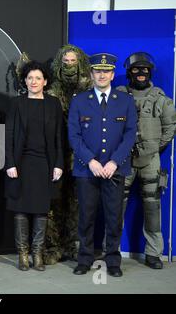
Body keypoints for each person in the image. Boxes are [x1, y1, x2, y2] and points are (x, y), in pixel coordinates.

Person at [68, 53, 137, 277]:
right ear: (91, 74)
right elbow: (74, 135)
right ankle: (85, 259)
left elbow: (129, 135)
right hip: (87, 170)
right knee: (86, 217)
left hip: (114, 170)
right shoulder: (79, 100)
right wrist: (90, 160)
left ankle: (113, 261)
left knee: (114, 218)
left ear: (113, 74)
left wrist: (115, 162)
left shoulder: (125, 101)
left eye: (106, 71)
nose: (102, 75)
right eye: (98, 71)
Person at [116, 52, 176, 269]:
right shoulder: (119, 97)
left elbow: (170, 128)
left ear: (150, 71)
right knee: (116, 205)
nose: (140, 74)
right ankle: (111, 250)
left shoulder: (161, 99)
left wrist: (154, 148)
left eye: (144, 70)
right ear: (129, 72)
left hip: (151, 159)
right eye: (135, 70)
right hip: (122, 158)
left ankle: (153, 253)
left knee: (152, 206)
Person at [5, 61, 63, 271]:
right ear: (25, 81)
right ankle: (23, 254)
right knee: (20, 209)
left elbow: (59, 137)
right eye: (30, 78)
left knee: (41, 210)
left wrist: (58, 164)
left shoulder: (53, 104)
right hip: (21, 164)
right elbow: (9, 135)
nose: (34, 82)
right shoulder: (17, 103)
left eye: (38, 78)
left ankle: (37, 253)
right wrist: (9, 162)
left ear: (45, 82)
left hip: (45, 164)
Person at [44, 44, 93, 264]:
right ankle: (53, 247)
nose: (69, 65)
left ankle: (75, 246)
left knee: (78, 202)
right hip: (56, 153)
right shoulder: (52, 89)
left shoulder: (89, 89)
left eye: (73, 61)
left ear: (80, 62)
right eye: (66, 62)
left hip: (81, 155)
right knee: (55, 201)